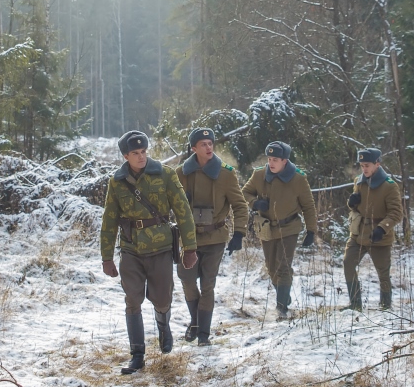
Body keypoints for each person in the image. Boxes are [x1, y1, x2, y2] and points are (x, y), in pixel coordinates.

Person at [101, 130, 198, 374]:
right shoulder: (117, 181)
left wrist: (190, 248)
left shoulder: (164, 174)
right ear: (125, 155)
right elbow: (109, 220)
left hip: (161, 248)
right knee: (132, 299)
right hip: (131, 249)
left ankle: (163, 327)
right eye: (135, 153)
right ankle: (137, 355)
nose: (141, 156)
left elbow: (183, 211)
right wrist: (106, 257)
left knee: (162, 298)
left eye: (143, 152)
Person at [176, 127, 250, 346]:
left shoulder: (226, 173)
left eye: (211, 144)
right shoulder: (181, 173)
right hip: (189, 239)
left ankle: (203, 335)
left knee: (208, 285)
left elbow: (240, 206)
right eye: (203, 145)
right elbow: (168, 203)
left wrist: (239, 234)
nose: (208, 148)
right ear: (194, 149)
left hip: (215, 237)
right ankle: (195, 322)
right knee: (188, 282)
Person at [242, 141, 317, 319]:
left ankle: (281, 307)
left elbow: (308, 206)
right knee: (271, 267)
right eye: (269, 159)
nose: (271, 163)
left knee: (283, 266)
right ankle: (285, 292)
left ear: (285, 160)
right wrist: (255, 203)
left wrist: (311, 231)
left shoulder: (299, 178)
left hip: (289, 227)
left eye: (275, 159)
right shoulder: (259, 174)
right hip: (266, 228)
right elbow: (245, 192)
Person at [343, 148, 404, 311]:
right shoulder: (358, 181)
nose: (364, 169)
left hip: (379, 235)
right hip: (358, 233)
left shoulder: (389, 186)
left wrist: (382, 229)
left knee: (383, 272)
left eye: (367, 165)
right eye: (362, 165)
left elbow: (396, 213)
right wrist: (352, 202)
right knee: (348, 263)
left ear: (377, 164)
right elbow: (356, 207)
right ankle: (355, 304)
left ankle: (385, 305)